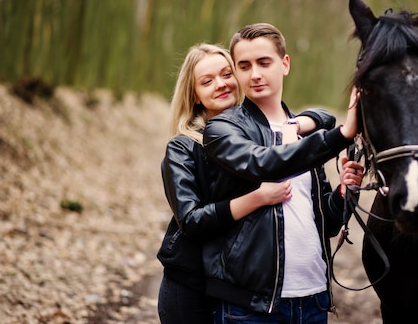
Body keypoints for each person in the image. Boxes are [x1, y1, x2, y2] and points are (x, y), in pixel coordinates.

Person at [156, 43, 343, 324]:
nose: (221, 84)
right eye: (207, 81)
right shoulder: (183, 148)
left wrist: (298, 124)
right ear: (194, 94)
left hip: (238, 282)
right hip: (192, 281)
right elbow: (191, 220)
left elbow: (324, 118)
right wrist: (259, 197)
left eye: (226, 74)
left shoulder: (259, 135)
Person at [202, 23, 363, 324]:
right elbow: (266, 162)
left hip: (313, 300)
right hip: (250, 307)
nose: (255, 74)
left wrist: (343, 193)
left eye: (264, 62)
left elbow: (326, 223)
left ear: (285, 64)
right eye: (244, 66)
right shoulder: (223, 129)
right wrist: (341, 134)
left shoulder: (306, 134)